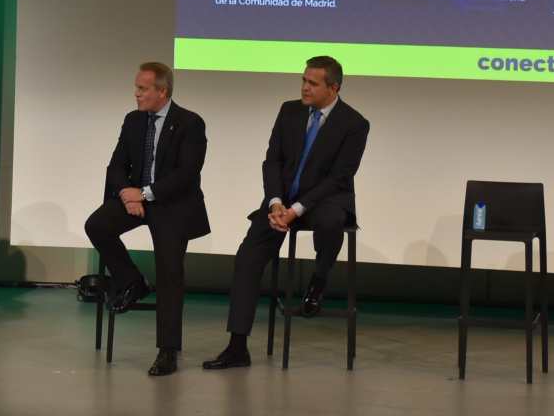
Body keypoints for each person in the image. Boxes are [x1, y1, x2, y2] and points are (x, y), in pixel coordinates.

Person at [203, 56, 369, 371]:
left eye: (313, 83)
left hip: (326, 201)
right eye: (303, 80)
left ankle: (319, 280)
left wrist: (296, 210)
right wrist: (276, 202)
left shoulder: (355, 124)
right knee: (247, 257)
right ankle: (237, 346)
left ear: (333, 88)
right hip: (283, 202)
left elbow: (339, 178)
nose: (304, 87)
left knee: (332, 222)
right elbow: (273, 161)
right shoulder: (289, 110)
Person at [84, 62, 209, 376]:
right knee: (96, 225)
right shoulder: (133, 120)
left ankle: (167, 350)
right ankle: (132, 281)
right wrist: (127, 191)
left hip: (171, 203)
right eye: (137, 88)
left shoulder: (190, 123)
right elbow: (116, 165)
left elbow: (186, 174)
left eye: (142, 89)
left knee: (169, 269)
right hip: (135, 198)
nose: (136, 94)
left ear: (161, 91)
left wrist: (146, 194)